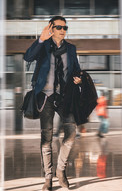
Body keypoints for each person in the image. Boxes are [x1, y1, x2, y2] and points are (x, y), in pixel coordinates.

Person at [23, 16, 82, 191]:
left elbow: (75, 68)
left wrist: (77, 78)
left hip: (65, 97)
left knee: (71, 133)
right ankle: (48, 178)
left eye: (65, 27)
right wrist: (41, 39)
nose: (63, 30)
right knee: (46, 138)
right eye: (58, 27)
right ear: (51, 28)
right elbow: (28, 57)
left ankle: (61, 170)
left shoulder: (70, 49)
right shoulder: (44, 46)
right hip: (46, 96)